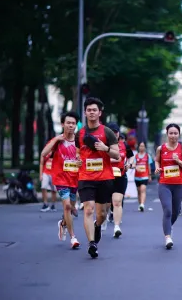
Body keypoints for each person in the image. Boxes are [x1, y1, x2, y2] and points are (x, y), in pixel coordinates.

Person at [75, 97, 120, 258]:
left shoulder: (107, 132)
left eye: (94, 110)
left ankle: (97, 225)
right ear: (85, 112)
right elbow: (78, 152)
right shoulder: (79, 134)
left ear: (100, 113)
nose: (92, 112)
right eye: (89, 110)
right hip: (86, 177)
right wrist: (77, 160)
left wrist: (105, 148)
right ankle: (92, 243)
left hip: (104, 178)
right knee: (88, 209)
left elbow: (118, 156)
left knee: (101, 214)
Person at [41, 111, 81, 249]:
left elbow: (83, 158)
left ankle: (63, 223)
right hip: (61, 179)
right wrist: (56, 140)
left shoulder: (79, 140)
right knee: (67, 206)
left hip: (75, 179)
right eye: (68, 123)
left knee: (71, 207)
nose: (71, 125)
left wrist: (81, 162)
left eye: (73, 123)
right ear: (63, 124)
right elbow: (44, 153)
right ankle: (73, 237)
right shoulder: (57, 140)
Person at [154, 124, 182, 249]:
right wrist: (158, 167)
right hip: (164, 183)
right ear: (167, 134)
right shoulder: (161, 148)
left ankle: (168, 226)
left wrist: (178, 161)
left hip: (179, 184)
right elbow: (157, 159)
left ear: (178, 135)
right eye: (171, 133)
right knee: (167, 210)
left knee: (176, 211)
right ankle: (168, 237)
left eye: (175, 133)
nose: (173, 136)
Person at [106, 123, 134, 238]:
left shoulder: (124, 145)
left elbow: (131, 156)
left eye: (116, 132)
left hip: (120, 176)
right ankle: (103, 219)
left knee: (117, 202)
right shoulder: (102, 145)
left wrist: (129, 163)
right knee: (106, 204)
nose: (114, 134)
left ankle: (117, 227)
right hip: (105, 177)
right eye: (111, 132)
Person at [39, 139, 57, 212]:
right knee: (43, 187)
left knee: (54, 190)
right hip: (46, 172)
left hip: (54, 173)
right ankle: (45, 204)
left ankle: (53, 204)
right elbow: (41, 163)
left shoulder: (56, 152)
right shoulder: (45, 153)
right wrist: (41, 174)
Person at [133, 141, 152, 212]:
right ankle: (140, 204)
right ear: (138, 147)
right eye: (140, 146)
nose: (141, 147)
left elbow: (149, 166)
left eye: (143, 146)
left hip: (145, 176)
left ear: (145, 147)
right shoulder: (136, 156)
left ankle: (142, 204)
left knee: (142, 190)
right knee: (138, 191)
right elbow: (134, 164)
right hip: (137, 176)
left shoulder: (147, 156)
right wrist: (135, 166)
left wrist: (150, 176)